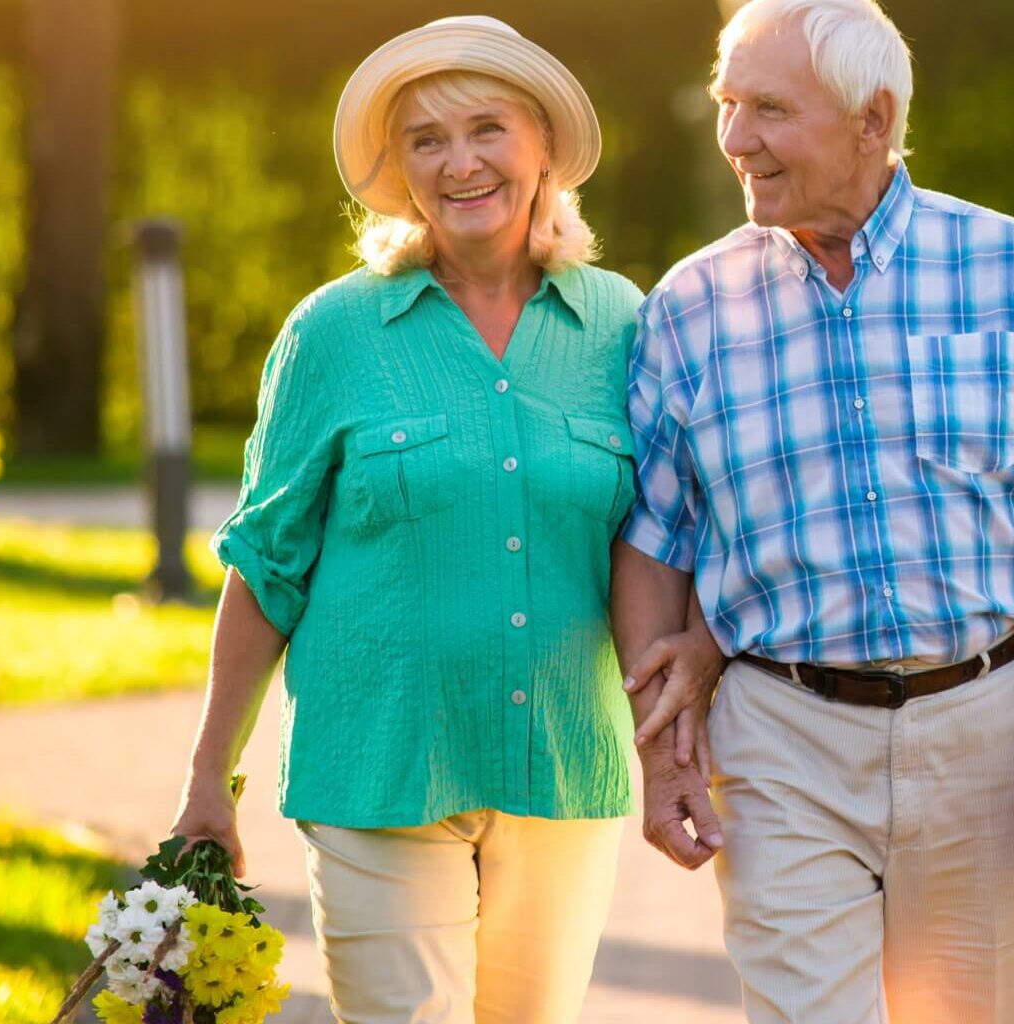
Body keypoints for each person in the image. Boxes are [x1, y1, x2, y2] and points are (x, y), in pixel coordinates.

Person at [611, 0, 1014, 1020]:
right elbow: (654, 544)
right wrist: (664, 755)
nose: (737, 138)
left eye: (770, 109)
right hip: (780, 734)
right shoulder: (688, 309)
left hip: (991, 734)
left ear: (873, 120)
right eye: (728, 106)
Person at [167, 17, 703, 1023]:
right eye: (426, 140)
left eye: (487, 129)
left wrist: (673, 750)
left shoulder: (624, 327)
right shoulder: (334, 333)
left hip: (562, 769)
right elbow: (265, 566)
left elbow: (660, 551)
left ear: (540, 145)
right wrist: (209, 777)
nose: (461, 163)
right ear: (401, 171)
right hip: (378, 770)